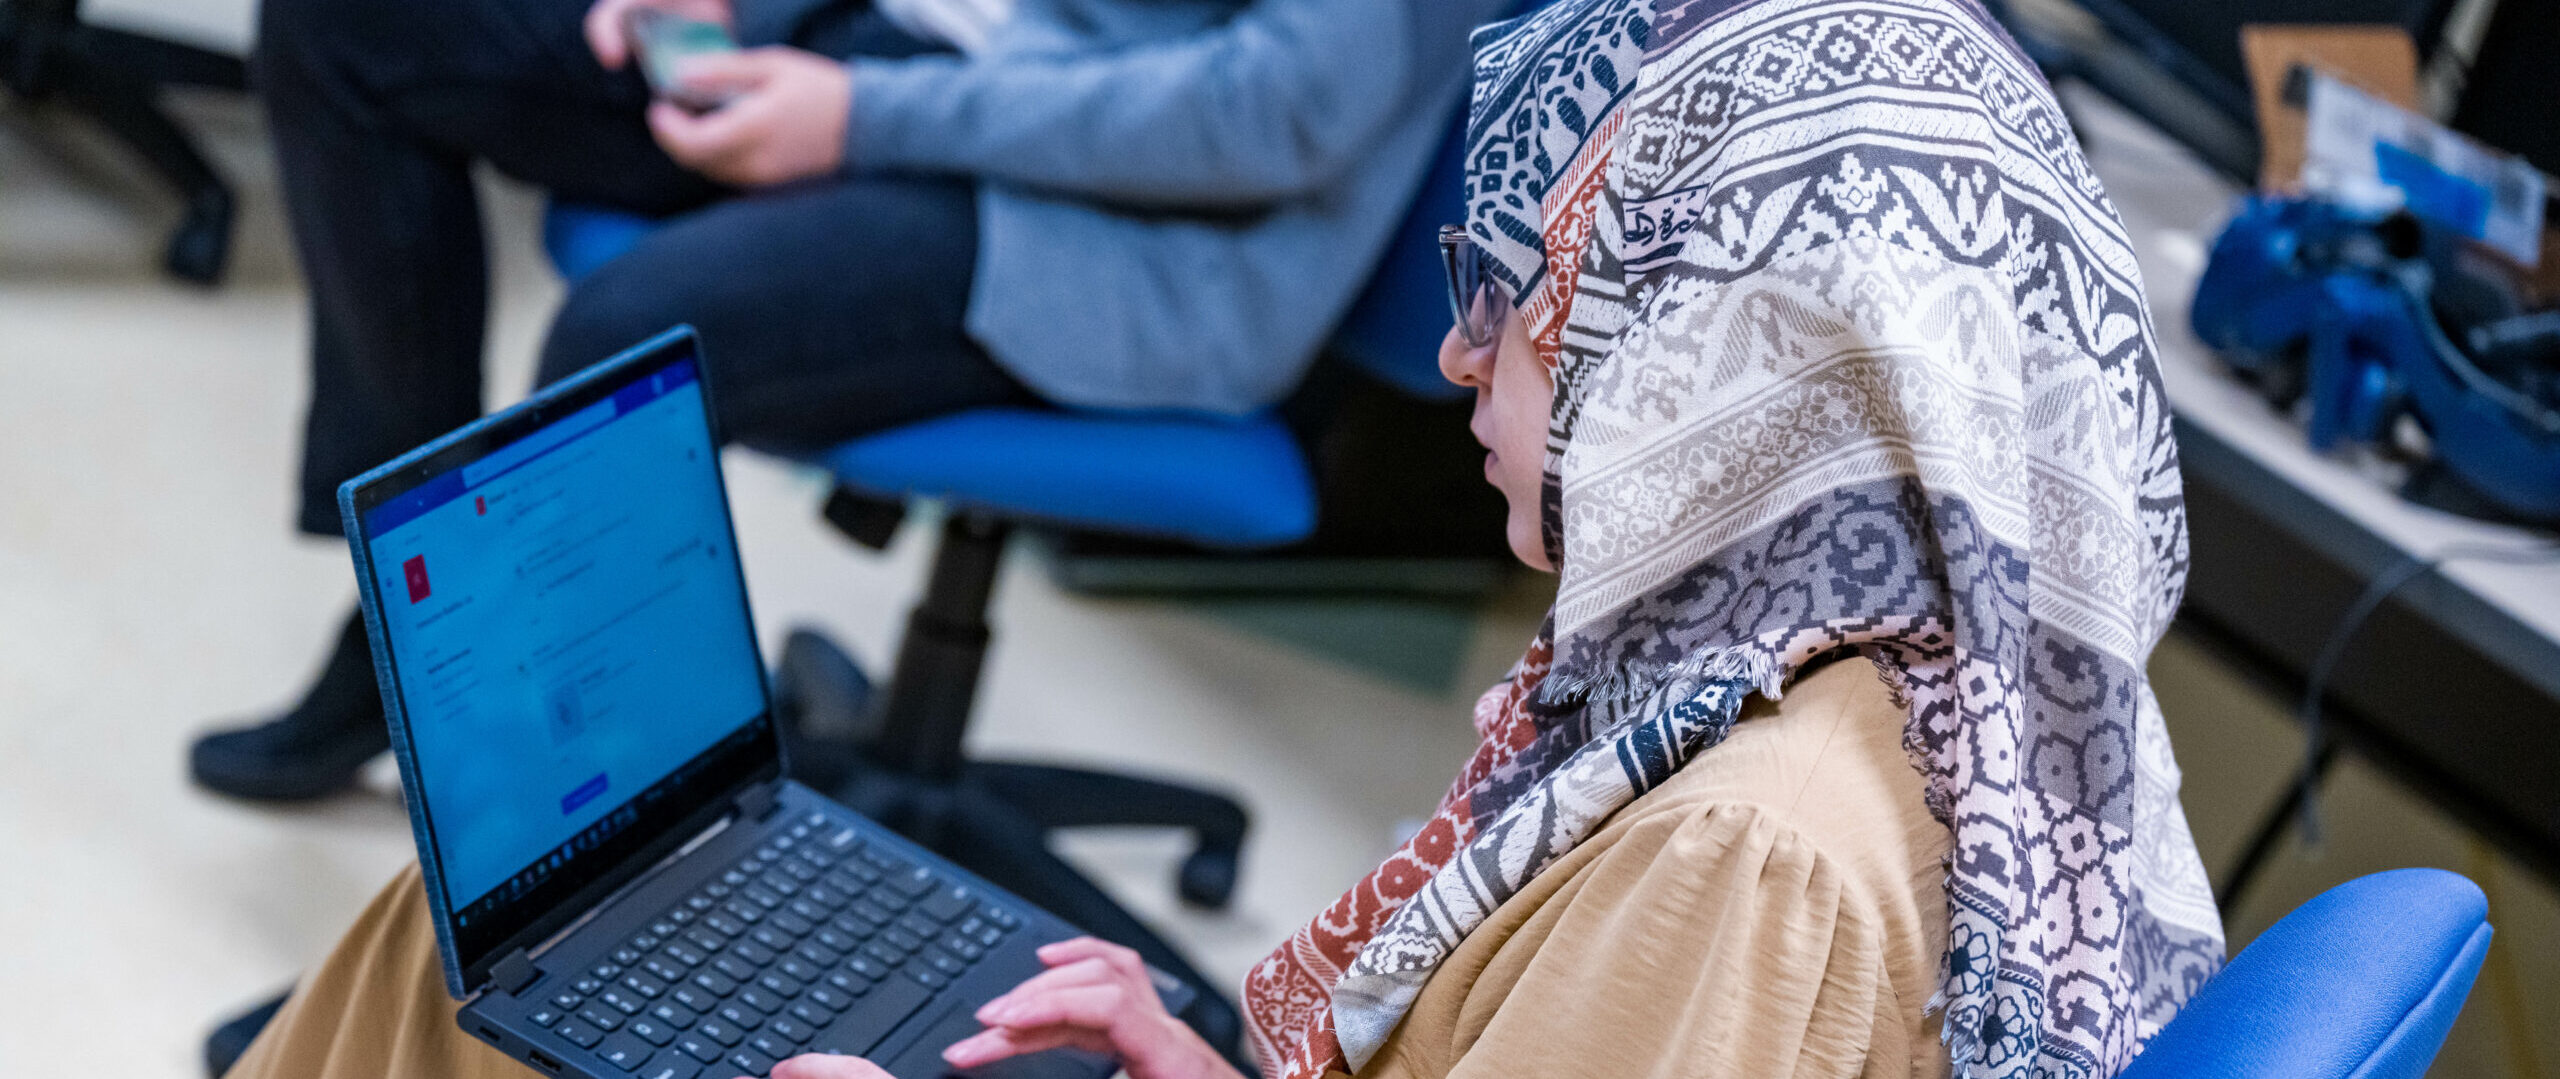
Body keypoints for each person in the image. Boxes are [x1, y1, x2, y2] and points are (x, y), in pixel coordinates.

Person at [218, 0, 2230, 1076]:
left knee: (483, 954)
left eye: (1526, 305)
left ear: (1729, 385)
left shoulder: (1746, 861)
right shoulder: (1800, 707)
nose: (1458, 361)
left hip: (1141, 259)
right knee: (520, 942)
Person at [184, 0, 1507, 801]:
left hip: (1133, 231)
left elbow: (1274, 118)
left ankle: (521, 828)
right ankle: (420, 618)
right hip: (898, 63)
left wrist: (861, 118)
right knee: (351, 22)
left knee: (622, 352)